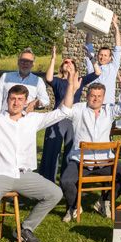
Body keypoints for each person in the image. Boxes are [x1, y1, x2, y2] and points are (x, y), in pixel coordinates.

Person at [0, 60, 78, 242]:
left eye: (20, 99)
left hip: (23, 175)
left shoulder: (32, 120)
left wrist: (70, 88)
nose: (16, 102)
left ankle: (26, 228)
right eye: (13, 99)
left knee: (55, 193)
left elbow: (64, 111)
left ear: (26, 102)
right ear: (7, 100)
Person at [59, 71, 121, 221]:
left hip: (105, 160)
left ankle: (105, 201)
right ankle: (74, 207)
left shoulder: (109, 110)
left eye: (99, 96)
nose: (95, 99)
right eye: (92, 96)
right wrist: (71, 87)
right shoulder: (78, 109)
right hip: (80, 161)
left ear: (103, 97)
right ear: (87, 96)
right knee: (65, 181)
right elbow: (66, 108)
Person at [37, 45, 80, 183]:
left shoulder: (79, 82)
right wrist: (54, 58)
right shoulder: (59, 82)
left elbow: (97, 73)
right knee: (52, 151)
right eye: (65, 62)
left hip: (73, 120)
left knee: (70, 152)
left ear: (75, 67)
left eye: (71, 62)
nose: (68, 64)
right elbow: (48, 78)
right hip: (57, 118)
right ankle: (47, 181)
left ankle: (67, 181)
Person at [0, 49, 50, 113]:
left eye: (29, 61)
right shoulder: (6, 77)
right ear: (18, 62)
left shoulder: (38, 81)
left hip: (26, 119)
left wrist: (35, 103)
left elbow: (45, 100)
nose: (25, 63)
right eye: (23, 60)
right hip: (5, 118)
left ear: (33, 64)